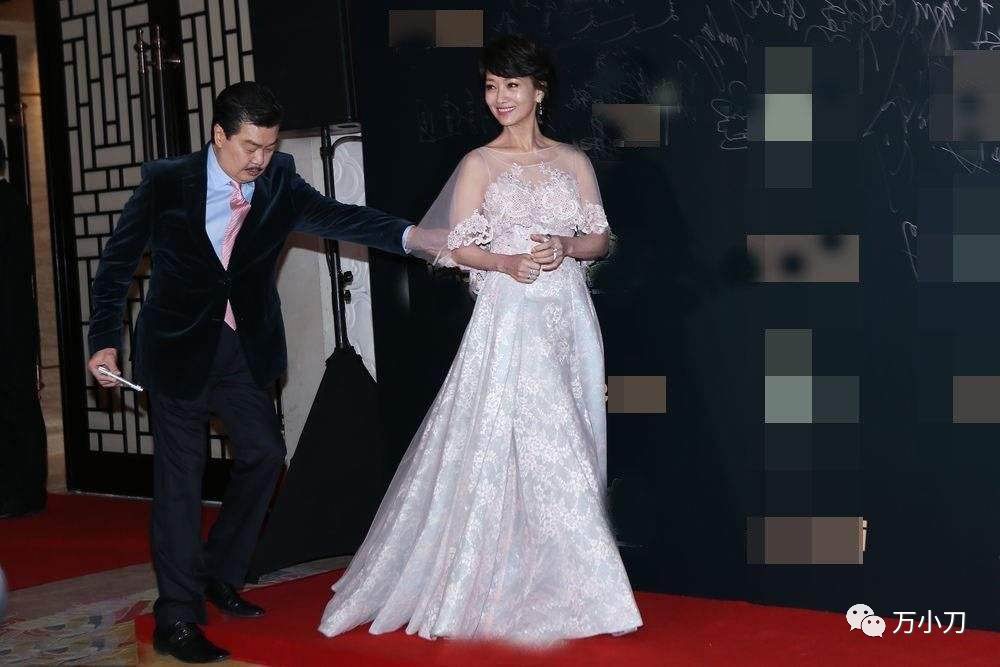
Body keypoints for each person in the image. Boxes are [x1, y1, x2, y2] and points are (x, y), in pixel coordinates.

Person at [319, 35, 643, 645]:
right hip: (511, 314)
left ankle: (557, 577)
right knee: (543, 440)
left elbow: (599, 238)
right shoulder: (478, 164)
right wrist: (505, 262)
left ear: (539, 91)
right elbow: (456, 246)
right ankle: (587, 595)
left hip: (569, 315)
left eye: (511, 85)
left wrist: (565, 246)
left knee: (575, 434)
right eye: (491, 86)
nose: (499, 97)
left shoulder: (573, 161)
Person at [86, 82, 415, 663]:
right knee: (181, 481)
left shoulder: (279, 180)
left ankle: (218, 573)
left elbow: (342, 218)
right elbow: (116, 268)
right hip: (177, 350)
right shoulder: (167, 183)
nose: (260, 159)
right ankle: (177, 616)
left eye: (268, 146)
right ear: (219, 136)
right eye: (249, 147)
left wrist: (414, 236)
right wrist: (104, 343)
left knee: (264, 454)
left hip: (241, 348)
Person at [0, 137, 47, 519]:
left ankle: (20, 492)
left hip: (7, 318)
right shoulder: (13, 200)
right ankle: (22, 491)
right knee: (16, 404)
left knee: (13, 405)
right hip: (15, 315)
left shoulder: (6, 202)